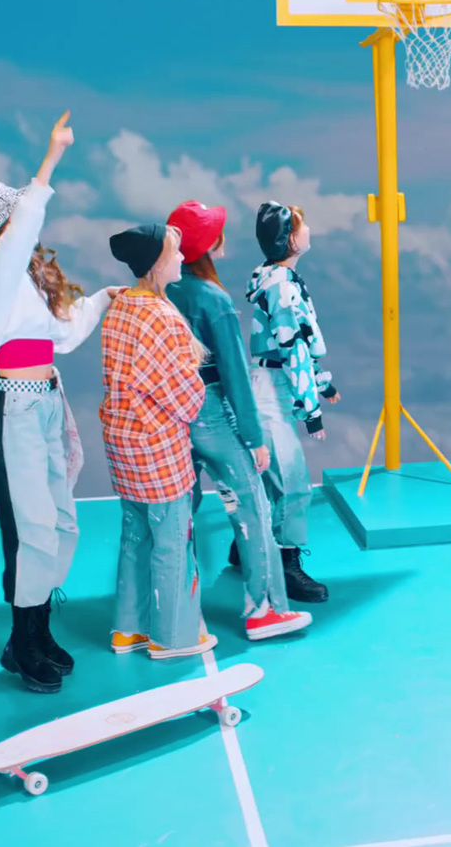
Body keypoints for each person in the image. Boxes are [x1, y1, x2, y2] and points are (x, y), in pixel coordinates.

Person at [0, 110, 121, 693]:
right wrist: (52, 156)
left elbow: (64, 333)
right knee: (31, 526)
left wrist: (105, 296)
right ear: (7, 225)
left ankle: (35, 629)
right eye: (18, 218)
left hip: (48, 402)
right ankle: (22, 639)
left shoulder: (26, 281)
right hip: (16, 409)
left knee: (58, 522)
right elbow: (28, 222)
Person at [165, 200, 316, 640]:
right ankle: (264, 609)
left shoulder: (164, 290)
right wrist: (254, 438)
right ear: (210, 245)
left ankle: (176, 612)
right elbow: (233, 375)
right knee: (252, 507)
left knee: (179, 512)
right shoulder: (213, 299)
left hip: (172, 412)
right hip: (212, 411)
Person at [101, 223, 216, 659]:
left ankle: (127, 629)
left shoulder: (121, 307)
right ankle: (173, 636)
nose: (183, 259)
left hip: (122, 444)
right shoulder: (165, 319)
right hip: (159, 450)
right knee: (172, 542)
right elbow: (185, 399)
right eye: (175, 253)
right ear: (156, 264)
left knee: (134, 537)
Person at [244, 201, 340, 580]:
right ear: (291, 241)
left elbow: (297, 344)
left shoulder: (275, 278)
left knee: (271, 477)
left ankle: (245, 549)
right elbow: (292, 348)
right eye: (303, 226)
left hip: (272, 383)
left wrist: (321, 384)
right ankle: (285, 565)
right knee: (293, 484)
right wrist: (311, 409)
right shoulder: (282, 287)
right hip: (274, 389)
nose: (309, 230)